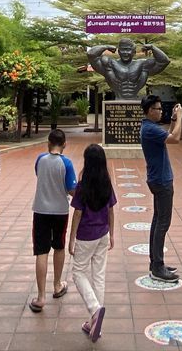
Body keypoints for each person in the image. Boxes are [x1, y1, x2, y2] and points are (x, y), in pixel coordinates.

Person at [69, 143, 116, 343]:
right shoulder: (107, 183)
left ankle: (95, 310)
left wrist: (71, 238)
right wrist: (112, 234)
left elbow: (78, 213)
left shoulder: (82, 186)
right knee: (98, 275)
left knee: (78, 272)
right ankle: (95, 321)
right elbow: (112, 210)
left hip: (86, 235)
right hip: (102, 233)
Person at [29, 127, 77, 312]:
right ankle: (57, 285)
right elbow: (71, 189)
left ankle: (40, 297)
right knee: (59, 246)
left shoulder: (40, 160)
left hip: (40, 209)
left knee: (41, 251)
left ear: (48, 143)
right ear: (65, 144)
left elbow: (39, 176)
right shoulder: (67, 163)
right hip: (60, 211)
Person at [139, 94, 182, 281]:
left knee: (158, 221)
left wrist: (173, 119)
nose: (161, 111)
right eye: (158, 109)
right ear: (149, 111)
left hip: (158, 178)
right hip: (162, 181)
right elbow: (176, 139)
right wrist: (180, 117)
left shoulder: (150, 128)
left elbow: (169, 135)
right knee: (162, 223)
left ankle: (156, 262)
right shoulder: (149, 129)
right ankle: (157, 266)